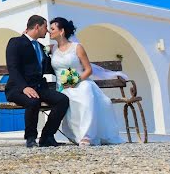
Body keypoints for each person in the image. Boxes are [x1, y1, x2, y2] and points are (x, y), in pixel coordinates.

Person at [48, 17, 124, 146]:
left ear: (62, 31)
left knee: (86, 92)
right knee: (68, 98)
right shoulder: (51, 48)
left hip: (80, 82)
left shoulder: (77, 47)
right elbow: (34, 49)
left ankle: (87, 136)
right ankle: (78, 134)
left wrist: (75, 82)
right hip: (62, 87)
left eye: (53, 29)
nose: (50, 32)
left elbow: (88, 70)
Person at [4, 14, 69, 147]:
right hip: (17, 88)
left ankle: (47, 136)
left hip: (40, 87)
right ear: (37, 26)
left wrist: (69, 74)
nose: (48, 31)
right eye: (46, 27)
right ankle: (31, 138)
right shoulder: (15, 42)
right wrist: (24, 87)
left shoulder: (40, 47)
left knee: (62, 100)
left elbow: (50, 67)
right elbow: (13, 68)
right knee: (33, 101)